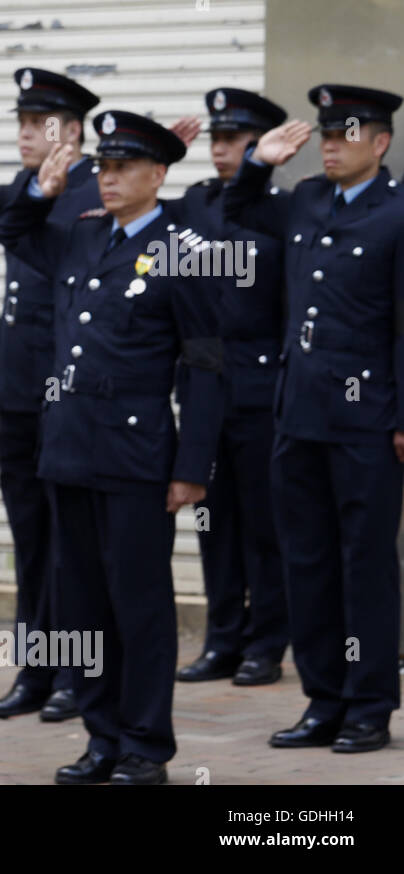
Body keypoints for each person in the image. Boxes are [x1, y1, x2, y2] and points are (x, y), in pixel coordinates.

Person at [0, 111, 226, 784]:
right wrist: (41, 188)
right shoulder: (81, 236)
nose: (110, 178)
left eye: (124, 168)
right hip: (68, 450)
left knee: (140, 607)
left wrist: (193, 468)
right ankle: (100, 739)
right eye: (103, 167)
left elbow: (206, 366)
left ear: (158, 174)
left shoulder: (183, 249)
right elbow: (12, 231)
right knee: (81, 607)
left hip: (135, 459)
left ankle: (144, 747)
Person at [225, 84, 404, 754]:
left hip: (367, 420)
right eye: (324, 136)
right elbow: (236, 210)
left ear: (379, 142)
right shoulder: (304, 200)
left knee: (365, 566)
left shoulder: (397, 213)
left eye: (344, 135)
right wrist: (257, 162)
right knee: (308, 563)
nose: (330, 146)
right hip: (297, 416)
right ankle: (322, 700)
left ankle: (369, 706)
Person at [0, 67, 101, 722]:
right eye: (23, 123)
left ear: (73, 130)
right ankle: (35, 672)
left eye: (39, 124)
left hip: (68, 397)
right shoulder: (24, 187)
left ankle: (75, 674)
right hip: (18, 391)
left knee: (72, 543)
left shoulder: (97, 191)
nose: (26, 134)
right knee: (31, 539)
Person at [170, 89, 290, 687]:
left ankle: (266, 644)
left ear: (261, 144)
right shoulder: (192, 203)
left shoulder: (283, 209)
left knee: (264, 523)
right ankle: (222, 639)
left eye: (233, 140)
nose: (220, 150)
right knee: (213, 523)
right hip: (203, 386)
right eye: (214, 140)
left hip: (262, 385)